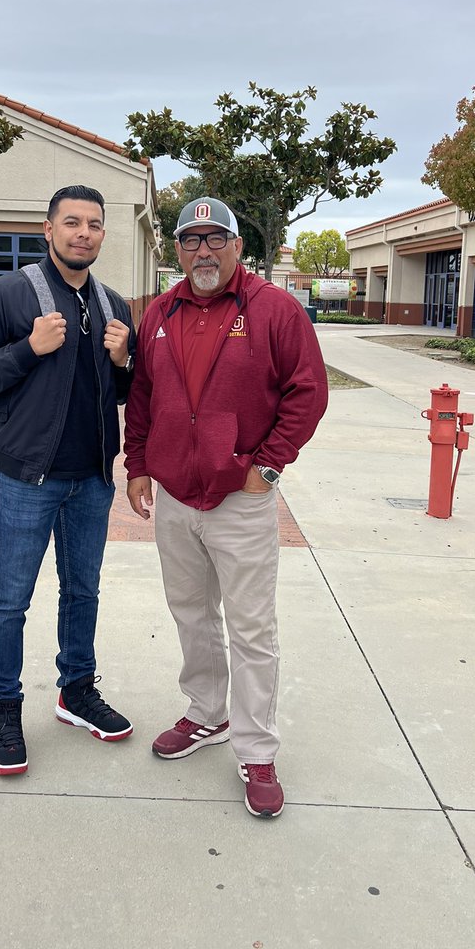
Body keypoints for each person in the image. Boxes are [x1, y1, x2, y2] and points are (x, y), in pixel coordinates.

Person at [124, 197, 328, 818]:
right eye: (191, 241)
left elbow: (308, 392)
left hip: (240, 498)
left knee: (251, 627)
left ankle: (256, 749)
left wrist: (268, 466)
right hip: (177, 498)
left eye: (216, 240)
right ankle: (206, 713)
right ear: (176, 252)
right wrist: (138, 465)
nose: (203, 251)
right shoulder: (160, 312)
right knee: (190, 612)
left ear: (238, 247)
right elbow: (142, 396)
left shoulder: (275, 310)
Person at [0, 185, 136, 776]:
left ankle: (76, 689)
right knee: (10, 600)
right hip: (27, 478)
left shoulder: (114, 306)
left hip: (92, 479)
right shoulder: (10, 293)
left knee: (83, 592)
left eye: (95, 225)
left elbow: (125, 395)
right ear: (48, 229)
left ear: (104, 234)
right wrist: (28, 349)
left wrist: (123, 363)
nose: (84, 233)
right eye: (72, 222)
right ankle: (3, 707)